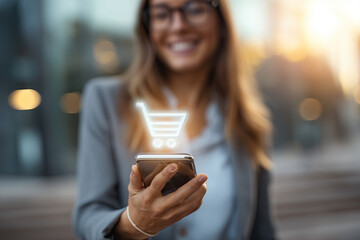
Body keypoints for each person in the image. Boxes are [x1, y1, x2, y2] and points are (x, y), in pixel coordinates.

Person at [72, 0, 276, 239]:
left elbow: (262, 231)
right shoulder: (106, 101)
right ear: (148, 28)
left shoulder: (247, 121)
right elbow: (88, 218)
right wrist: (134, 224)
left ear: (220, 23)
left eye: (195, 9)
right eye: (161, 13)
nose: (178, 26)